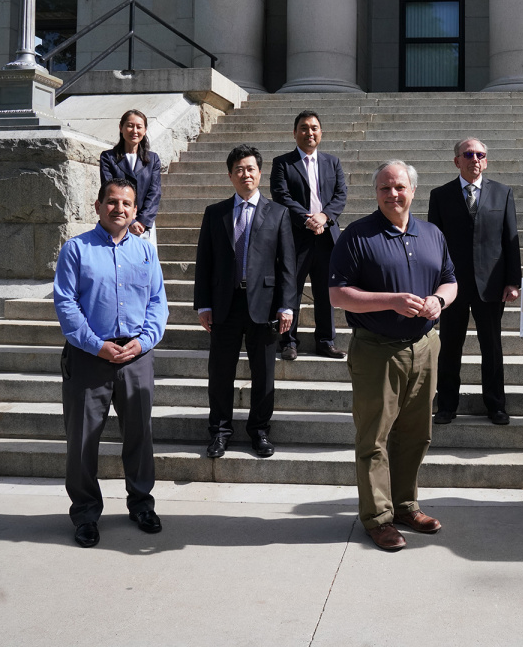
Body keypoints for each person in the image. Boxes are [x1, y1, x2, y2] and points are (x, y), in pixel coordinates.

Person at [329, 160, 458, 552]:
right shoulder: (356, 235)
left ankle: (405, 505)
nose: (392, 194)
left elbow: (451, 281)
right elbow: (337, 295)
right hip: (376, 350)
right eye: (384, 188)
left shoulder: (432, 233)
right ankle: (378, 517)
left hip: (424, 347)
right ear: (376, 193)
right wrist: (391, 302)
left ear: (413, 190)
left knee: (417, 435)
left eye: (399, 187)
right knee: (375, 438)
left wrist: (438, 300)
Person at [53, 177, 169, 548]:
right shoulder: (76, 250)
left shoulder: (146, 252)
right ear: (99, 205)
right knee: (83, 441)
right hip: (90, 357)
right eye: (112, 202)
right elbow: (66, 304)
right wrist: (95, 344)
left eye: (127, 204)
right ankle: (86, 513)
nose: (119, 208)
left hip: (136, 356)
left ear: (135, 210)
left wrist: (144, 341)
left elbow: (157, 302)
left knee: (139, 435)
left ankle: (141, 504)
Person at [194, 145, 296, 460]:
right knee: (220, 372)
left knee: (263, 373)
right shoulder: (215, 213)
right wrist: (203, 305)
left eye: (250, 168)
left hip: (264, 306)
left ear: (260, 173)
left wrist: (287, 305)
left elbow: (287, 265)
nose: (245, 174)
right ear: (230, 175)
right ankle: (220, 433)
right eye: (239, 169)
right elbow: (204, 262)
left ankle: (260, 432)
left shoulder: (278, 213)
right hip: (225, 304)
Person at [427, 138, 522, 425]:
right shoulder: (440, 195)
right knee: (449, 347)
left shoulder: (502, 194)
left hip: (490, 286)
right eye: (469, 154)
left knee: (492, 348)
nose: (475, 159)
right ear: (457, 160)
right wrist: (435, 285)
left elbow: (510, 241)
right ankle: (446, 405)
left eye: (481, 154)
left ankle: (496, 406)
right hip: (452, 286)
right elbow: (434, 244)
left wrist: (513, 281)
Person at [269, 110, 348, 361]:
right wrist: (308, 219)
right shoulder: (283, 163)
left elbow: (340, 195)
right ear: (295, 133)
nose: (309, 132)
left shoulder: (332, 162)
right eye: (304, 128)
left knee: (326, 291)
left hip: (326, 236)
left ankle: (326, 340)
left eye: (314, 128)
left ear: (321, 133)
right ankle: (289, 341)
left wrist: (324, 217)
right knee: (291, 288)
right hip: (296, 237)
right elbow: (281, 196)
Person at [100, 109, 162, 249]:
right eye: (130, 125)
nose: (134, 130)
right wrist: (130, 221)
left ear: (145, 130)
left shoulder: (152, 159)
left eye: (139, 127)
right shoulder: (108, 158)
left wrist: (142, 221)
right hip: (118, 220)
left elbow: (155, 192)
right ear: (121, 128)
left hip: (143, 225)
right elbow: (109, 189)